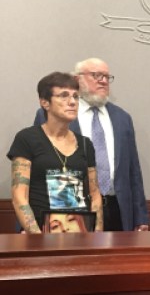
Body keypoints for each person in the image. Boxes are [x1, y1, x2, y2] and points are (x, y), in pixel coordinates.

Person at [34, 58, 149, 231]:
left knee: (117, 258)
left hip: (117, 208)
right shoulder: (53, 115)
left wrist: (141, 217)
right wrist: (29, 222)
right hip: (71, 208)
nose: (103, 81)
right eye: (96, 75)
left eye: (107, 77)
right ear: (76, 79)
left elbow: (133, 171)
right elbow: (36, 170)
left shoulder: (122, 118)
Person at [7, 72, 103, 233]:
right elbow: (19, 197)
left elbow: (95, 195)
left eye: (75, 96)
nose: (72, 102)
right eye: (64, 96)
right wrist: (36, 236)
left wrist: (97, 234)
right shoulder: (27, 138)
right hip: (40, 232)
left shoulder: (85, 144)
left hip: (79, 233)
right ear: (45, 102)